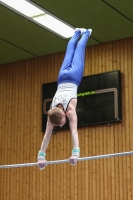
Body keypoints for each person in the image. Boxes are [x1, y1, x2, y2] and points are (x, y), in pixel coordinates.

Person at [38, 28, 92, 169]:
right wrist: (41, 156)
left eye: (61, 122)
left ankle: (86, 33)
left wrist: (76, 153)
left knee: (79, 52)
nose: (62, 124)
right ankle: (76, 32)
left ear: (63, 115)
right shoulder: (51, 115)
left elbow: (74, 131)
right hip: (61, 77)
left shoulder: (70, 110)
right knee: (69, 53)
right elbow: (47, 136)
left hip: (74, 77)